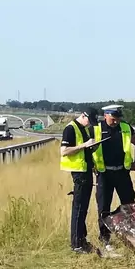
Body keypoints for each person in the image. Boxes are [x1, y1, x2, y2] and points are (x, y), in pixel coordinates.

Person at [92, 104, 135, 250]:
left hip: (122, 172)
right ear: (105, 115)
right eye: (113, 119)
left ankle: (131, 235)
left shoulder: (125, 127)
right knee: (103, 207)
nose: (115, 122)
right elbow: (87, 149)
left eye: (118, 119)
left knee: (129, 205)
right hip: (104, 174)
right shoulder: (96, 128)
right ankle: (105, 239)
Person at [60, 107, 99, 254]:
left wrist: (92, 149)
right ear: (83, 115)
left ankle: (82, 239)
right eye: (89, 121)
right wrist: (84, 145)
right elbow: (64, 151)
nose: (90, 124)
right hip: (79, 173)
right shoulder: (70, 129)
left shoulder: (83, 129)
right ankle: (76, 244)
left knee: (83, 209)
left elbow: (83, 151)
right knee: (78, 209)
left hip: (86, 171)